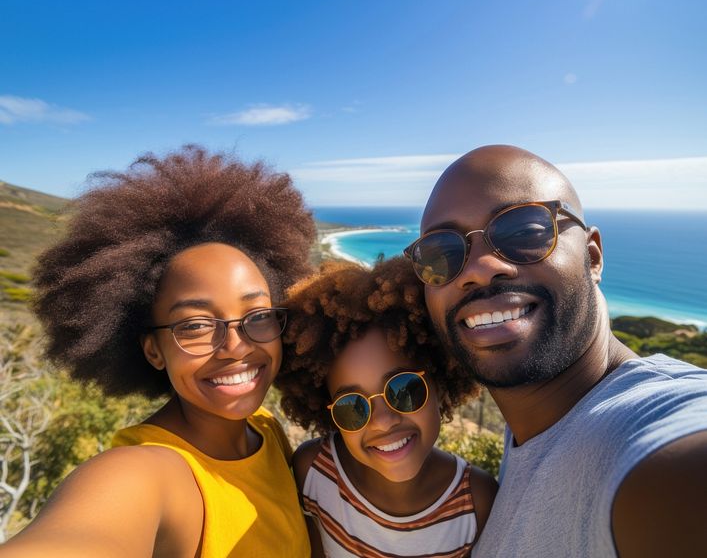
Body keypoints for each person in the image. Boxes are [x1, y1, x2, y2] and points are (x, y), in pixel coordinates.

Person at [3, 145, 317, 558]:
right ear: (153, 350)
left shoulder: (264, 429)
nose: (237, 346)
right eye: (197, 325)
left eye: (257, 315)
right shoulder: (146, 473)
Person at [403, 143, 707, 558]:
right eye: (442, 253)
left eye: (524, 230)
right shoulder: (535, 429)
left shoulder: (654, 436)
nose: (478, 269)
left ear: (593, 256)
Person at [275, 256, 497, 558]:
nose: (383, 421)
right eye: (352, 406)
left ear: (440, 380)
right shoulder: (314, 472)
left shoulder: (476, 500)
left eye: (403, 389)